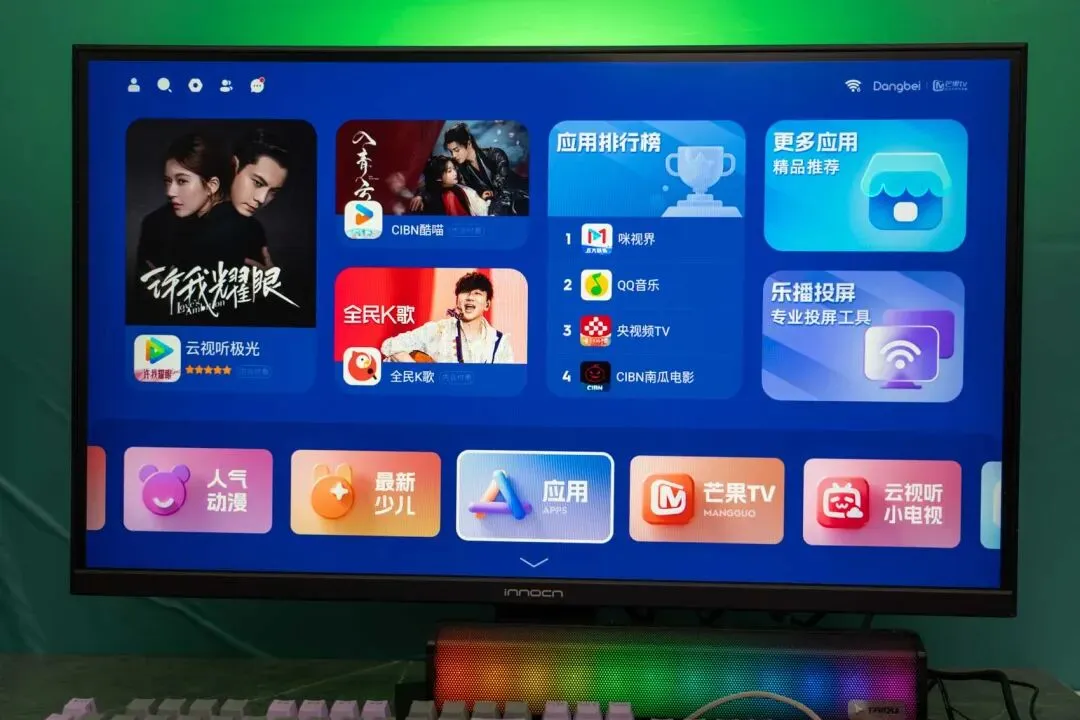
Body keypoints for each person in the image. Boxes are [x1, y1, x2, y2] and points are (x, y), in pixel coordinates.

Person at [134, 132, 233, 273]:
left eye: (182, 181)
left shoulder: (241, 230)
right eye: (168, 181)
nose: (170, 192)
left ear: (212, 185)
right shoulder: (155, 225)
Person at [381, 271, 515, 364]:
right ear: (457, 301)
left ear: (487, 304)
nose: (470, 297)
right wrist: (418, 373)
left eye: (477, 293)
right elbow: (391, 345)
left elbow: (506, 383)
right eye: (465, 292)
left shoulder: (500, 343)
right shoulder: (439, 330)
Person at [409, 123, 529, 216]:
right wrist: (421, 195)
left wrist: (486, 196)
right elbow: (438, 174)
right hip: (496, 208)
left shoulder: (496, 155)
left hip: (520, 197)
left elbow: (503, 187)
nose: (454, 155)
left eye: (456, 150)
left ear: (469, 143)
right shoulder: (460, 168)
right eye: (451, 152)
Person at [418, 155, 489, 216]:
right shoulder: (449, 196)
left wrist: (481, 198)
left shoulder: (454, 186)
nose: (455, 173)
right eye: (449, 171)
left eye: (454, 169)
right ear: (439, 177)